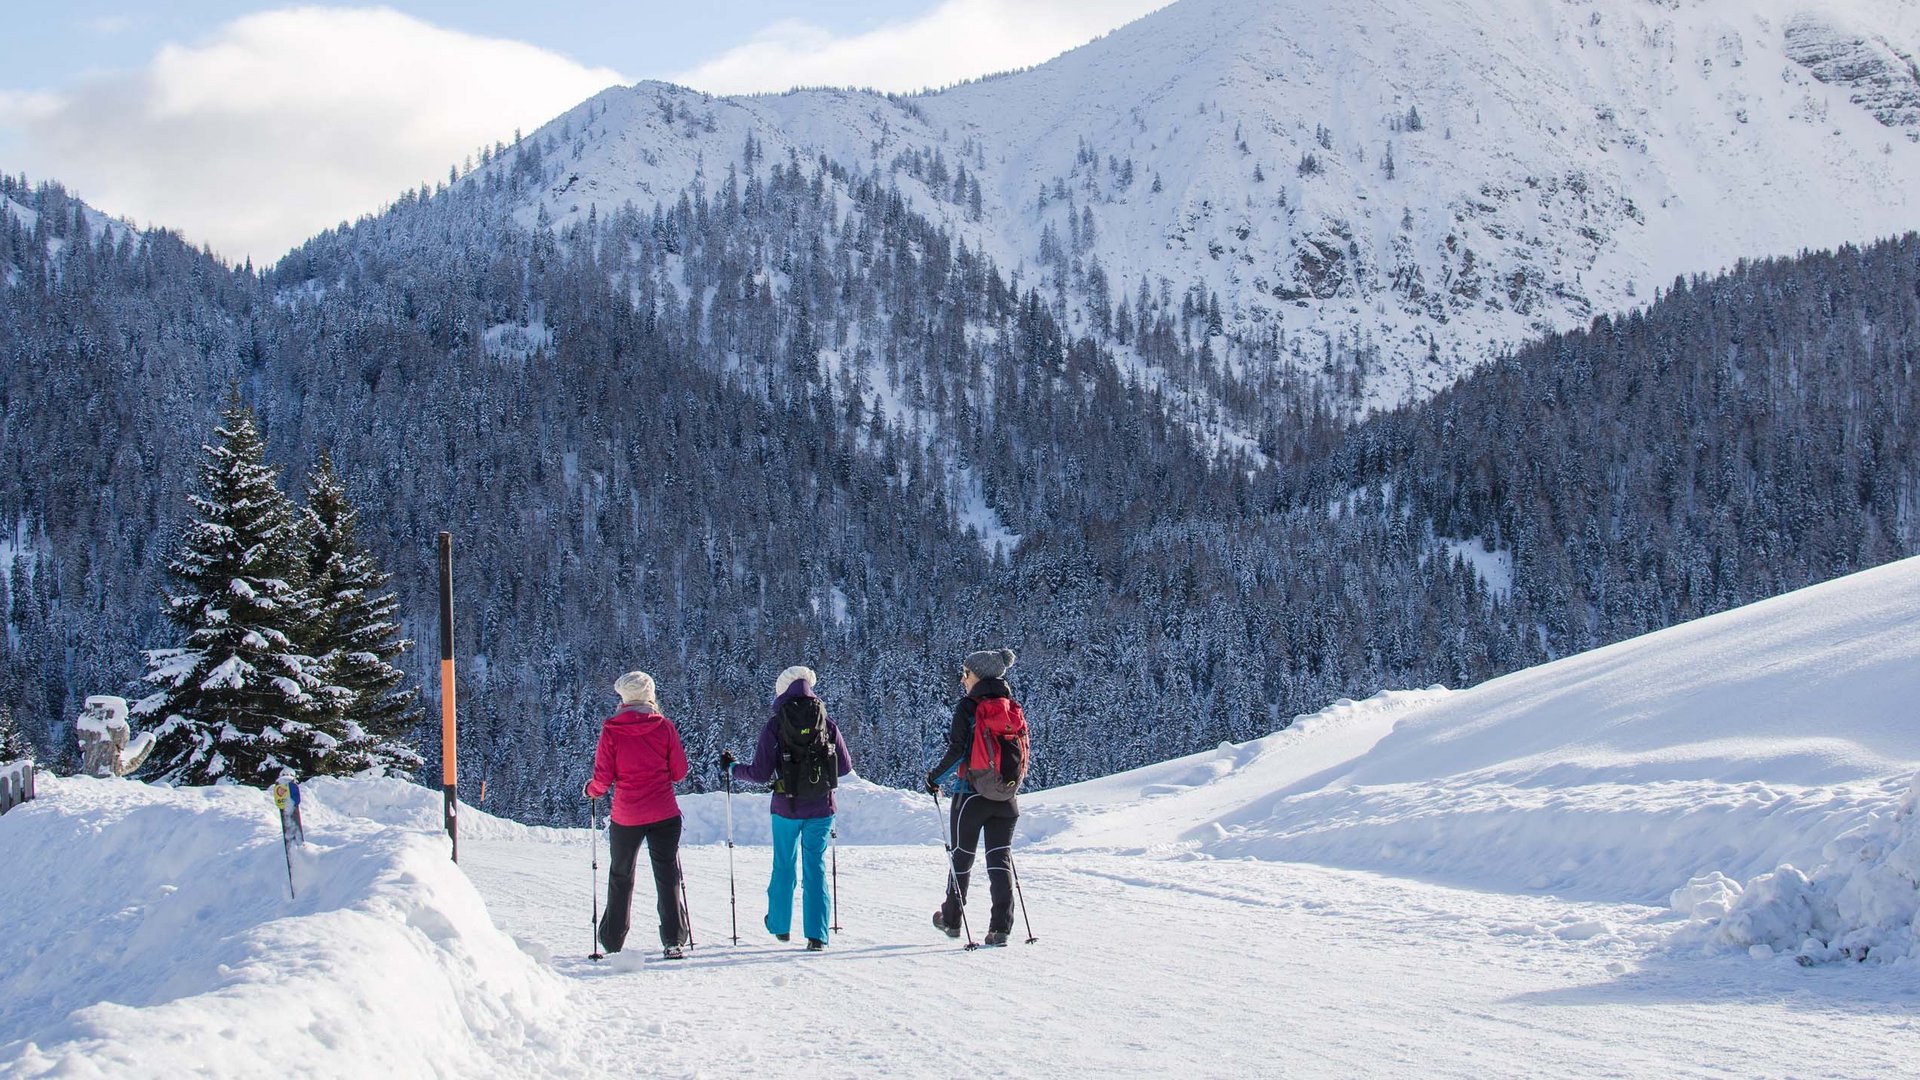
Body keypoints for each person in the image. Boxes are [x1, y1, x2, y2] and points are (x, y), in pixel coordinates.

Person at [722, 665, 853, 951]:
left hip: (785, 808)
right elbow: (844, 767)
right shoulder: (826, 723)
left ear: (782, 691)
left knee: (783, 864)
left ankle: (780, 926)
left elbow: (759, 773)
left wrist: (733, 768)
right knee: (814, 868)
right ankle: (817, 935)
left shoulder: (775, 725)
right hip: (821, 807)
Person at [584, 670, 691, 959]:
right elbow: (680, 773)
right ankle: (673, 940)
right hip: (664, 812)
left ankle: (612, 941)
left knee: (621, 874)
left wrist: (591, 790)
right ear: (649, 695)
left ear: (624, 697)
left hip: (627, 814)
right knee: (667, 873)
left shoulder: (612, 730)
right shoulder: (664, 727)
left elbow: (603, 779)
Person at [927, 648, 1025, 947]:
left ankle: (952, 919)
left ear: (977, 675)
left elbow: (957, 751)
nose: (963, 679)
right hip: (1006, 797)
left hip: (969, 795)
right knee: (999, 861)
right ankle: (1001, 928)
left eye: (966, 674)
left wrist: (934, 779)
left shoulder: (968, 707)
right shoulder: (1011, 707)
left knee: (961, 857)